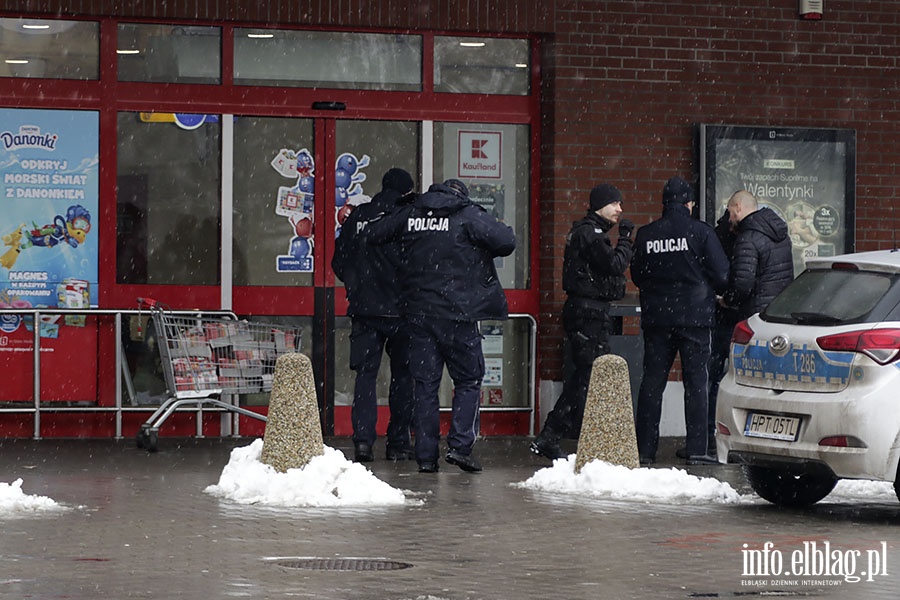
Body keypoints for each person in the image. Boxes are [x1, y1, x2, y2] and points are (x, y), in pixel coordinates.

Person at [366, 178, 515, 473]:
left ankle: (425, 456)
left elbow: (374, 234)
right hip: (459, 316)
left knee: (424, 386)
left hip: (419, 316)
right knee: (469, 380)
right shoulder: (467, 214)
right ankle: (460, 447)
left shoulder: (412, 214)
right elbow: (506, 241)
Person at [529, 183, 634, 461]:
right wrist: (626, 239)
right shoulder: (590, 233)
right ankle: (553, 433)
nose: (620, 209)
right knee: (587, 378)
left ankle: (553, 434)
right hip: (588, 314)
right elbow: (614, 264)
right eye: (615, 204)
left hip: (588, 313)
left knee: (585, 377)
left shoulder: (588, 231)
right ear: (600, 205)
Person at [631, 176, 729, 466]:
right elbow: (723, 275)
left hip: (657, 319)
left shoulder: (647, 234)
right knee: (697, 384)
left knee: (652, 384)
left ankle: (645, 450)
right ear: (688, 203)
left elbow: (637, 275)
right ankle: (697, 448)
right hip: (696, 319)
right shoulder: (701, 232)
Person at [331, 168, 417, 463]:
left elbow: (339, 262)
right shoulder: (407, 217)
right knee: (404, 377)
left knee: (365, 378)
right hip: (402, 311)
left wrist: (359, 286)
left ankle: (363, 443)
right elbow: (417, 262)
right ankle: (398, 442)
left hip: (365, 310)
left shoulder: (358, 216)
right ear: (406, 190)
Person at [721, 190, 794, 322]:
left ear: (738, 207)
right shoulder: (781, 234)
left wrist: (727, 300)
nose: (729, 218)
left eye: (730, 212)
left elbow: (742, 284)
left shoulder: (747, 238)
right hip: (779, 310)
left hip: (756, 314)